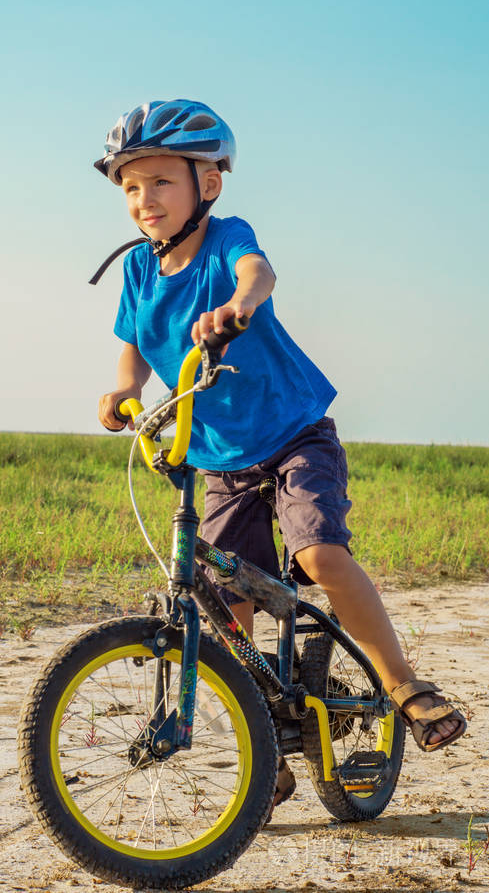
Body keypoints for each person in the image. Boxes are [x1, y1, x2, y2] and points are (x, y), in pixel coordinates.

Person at [94, 99, 466, 811]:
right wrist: (120, 391)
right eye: (130, 186)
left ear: (208, 184)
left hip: (293, 436)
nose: (144, 199)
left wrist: (237, 306)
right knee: (221, 603)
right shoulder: (139, 272)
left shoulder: (227, 237)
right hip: (219, 459)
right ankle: (269, 748)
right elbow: (132, 347)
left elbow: (257, 273)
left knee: (317, 557)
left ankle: (402, 682)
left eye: (161, 181)